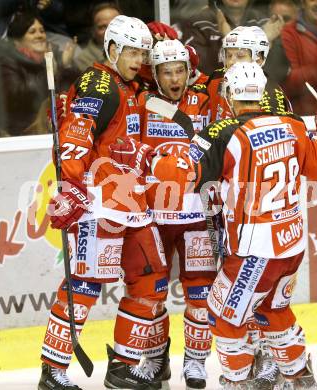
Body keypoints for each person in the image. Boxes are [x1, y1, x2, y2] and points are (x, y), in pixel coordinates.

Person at [110, 61, 317, 389]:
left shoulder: (224, 133)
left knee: (222, 315)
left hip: (254, 251)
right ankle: (300, 378)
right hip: (291, 246)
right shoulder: (292, 127)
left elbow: (182, 176)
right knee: (273, 311)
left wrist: (147, 158)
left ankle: (236, 383)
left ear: (231, 95)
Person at [37, 15, 169, 390]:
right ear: (111, 49)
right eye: (131, 51)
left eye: (142, 53)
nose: (137, 59)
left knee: (151, 280)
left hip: (132, 203)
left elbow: (156, 110)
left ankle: (123, 365)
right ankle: (53, 368)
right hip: (99, 204)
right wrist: (72, 187)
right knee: (85, 285)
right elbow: (75, 137)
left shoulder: (130, 85)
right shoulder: (98, 83)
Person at [137, 39, 214, 389]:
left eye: (179, 70)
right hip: (154, 214)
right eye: (166, 71)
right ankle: (155, 358)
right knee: (150, 291)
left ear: (189, 70)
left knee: (200, 290)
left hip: (197, 214)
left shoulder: (206, 99)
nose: (174, 78)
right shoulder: (142, 104)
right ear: (154, 73)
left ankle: (196, 362)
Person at [0, 10, 78, 136]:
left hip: (59, 130)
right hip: (23, 135)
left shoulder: (55, 58)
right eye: (32, 32)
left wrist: (66, 66)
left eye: (42, 31)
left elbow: (74, 94)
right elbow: (19, 97)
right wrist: (49, 70)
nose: (40, 35)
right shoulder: (8, 63)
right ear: (17, 40)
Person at [176, 0, 288, 77]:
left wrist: (264, 41)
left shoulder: (264, 22)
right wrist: (261, 43)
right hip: (215, 100)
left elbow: (279, 72)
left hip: (260, 100)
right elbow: (197, 71)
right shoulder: (199, 22)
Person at [206, 25, 291, 122]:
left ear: (258, 59)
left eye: (240, 56)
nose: (230, 62)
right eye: (229, 55)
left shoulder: (272, 94)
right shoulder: (216, 78)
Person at [73, 2, 121, 72]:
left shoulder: (136, 49)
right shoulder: (83, 60)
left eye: (115, 24)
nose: (110, 30)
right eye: (102, 27)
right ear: (93, 31)